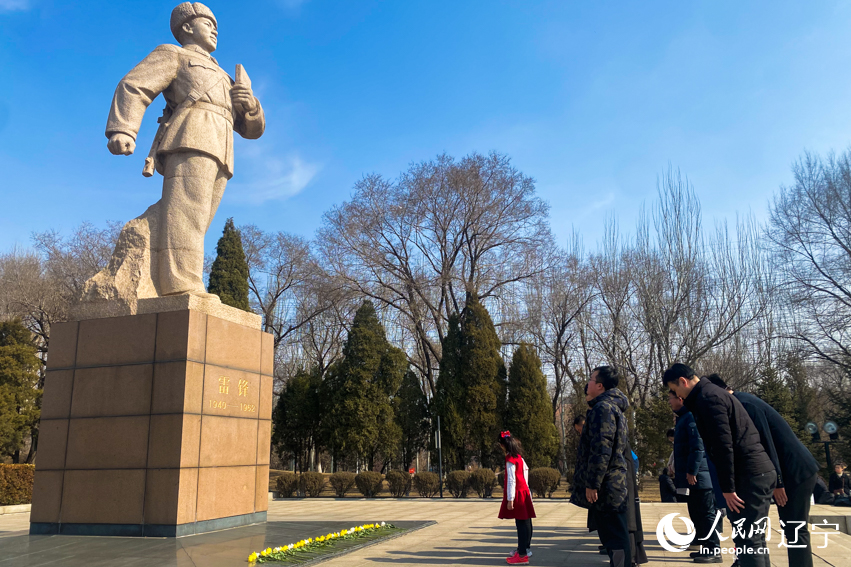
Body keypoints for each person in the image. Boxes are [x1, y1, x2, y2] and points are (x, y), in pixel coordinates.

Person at [104, 2, 265, 297]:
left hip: (221, 145)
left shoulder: (224, 74)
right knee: (187, 213)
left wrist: (251, 105)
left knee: (199, 218)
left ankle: (178, 276)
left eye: (216, 25)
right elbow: (134, 86)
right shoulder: (174, 54)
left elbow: (252, 130)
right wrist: (123, 128)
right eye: (208, 23)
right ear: (187, 27)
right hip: (190, 135)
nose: (215, 29)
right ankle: (180, 285)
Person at [663, 364, 776, 567]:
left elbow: (723, 446)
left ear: (683, 381)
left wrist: (728, 488)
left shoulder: (709, 399)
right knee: (753, 540)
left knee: (748, 540)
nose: (677, 395)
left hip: (749, 474)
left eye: (675, 389)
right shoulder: (709, 395)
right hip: (755, 472)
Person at [706, 373, 820, 567]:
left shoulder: (746, 405)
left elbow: (767, 445)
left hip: (796, 471)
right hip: (783, 470)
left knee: (794, 528)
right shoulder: (739, 403)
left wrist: (778, 482)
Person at [571, 366, 633, 567]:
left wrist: (593, 483)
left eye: (590, 379)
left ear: (600, 385)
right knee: (613, 534)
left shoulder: (603, 409)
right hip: (611, 482)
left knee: (614, 536)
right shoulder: (610, 407)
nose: (587, 384)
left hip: (607, 485)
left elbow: (602, 449)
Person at [668, 390, 721, 563]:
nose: (669, 402)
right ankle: (705, 546)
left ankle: (714, 549)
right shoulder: (683, 417)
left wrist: (692, 471)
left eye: (671, 398)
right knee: (696, 512)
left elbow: (697, 447)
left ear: (680, 399)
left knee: (706, 513)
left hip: (700, 476)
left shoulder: (691, 417)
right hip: (693, 476)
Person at [498, 431, 536, 565]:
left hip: (518, 494)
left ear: (503, 446)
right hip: (524, 492)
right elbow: (525, 473)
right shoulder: (519, 458)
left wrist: (510, 499)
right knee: (526, 523)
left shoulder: (510, 460)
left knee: (521, 525)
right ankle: (524, 550)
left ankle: (521, 555)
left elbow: (511, 481)